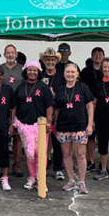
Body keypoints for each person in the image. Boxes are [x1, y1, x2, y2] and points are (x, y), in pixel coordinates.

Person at [11, 61, 54, 189]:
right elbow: (14, 106)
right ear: (25, 71)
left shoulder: (44, 87)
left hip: (40, 126)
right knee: (29, 154)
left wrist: (49, 122)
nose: (32, 72)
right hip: (24, 125)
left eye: (35, 70)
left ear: (39, 72)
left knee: (40, 153)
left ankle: (41, 179)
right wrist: (13, 122)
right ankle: (32, 177)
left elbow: (49, 105)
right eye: (30, 70)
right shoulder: (20, 87)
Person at [53, 63, 95, 193]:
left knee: (81, 155)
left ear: (77, 74)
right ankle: (71, 180)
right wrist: (55, 126)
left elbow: (90, 106)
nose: (70, 74)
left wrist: (90, 124)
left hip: (80, 126)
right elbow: (56, 110)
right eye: (68, 72)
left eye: (73, 72)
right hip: (64, 127)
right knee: (66, 155)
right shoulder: (60, 89)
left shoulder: (83, 87)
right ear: (64, 74)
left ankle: (82, 182)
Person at [40, 47, 66, 180]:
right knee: (42, 142)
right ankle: (42, 168)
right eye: (47, 59)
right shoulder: (40, 75)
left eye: (52, 59)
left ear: (56, 61)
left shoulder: (62, 76)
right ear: (44, 61)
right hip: (42, 114)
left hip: (58, 114)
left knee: (57, 141)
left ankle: (58, 169)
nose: (50, 61)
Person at [0, 45, 25, 177]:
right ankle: (3, 165)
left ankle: (17, 164)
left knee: (17, 136)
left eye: (12, 53)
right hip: (2, 106)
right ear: (4, 54)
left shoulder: (22, 69)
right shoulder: (0, 69)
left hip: (19, 106)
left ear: (16, 55)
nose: (10, 55)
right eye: (8, 53)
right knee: (2, 136)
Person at [79, 47, 104, 173]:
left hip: (104, 108)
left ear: (103, 56)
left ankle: (103, 164)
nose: (97, 57)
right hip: (88, 106)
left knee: (103, 136)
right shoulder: (85, 71)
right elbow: (82, 88)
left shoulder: (107, 70)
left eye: (100, 54)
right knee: (90, 136)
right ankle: (91, 161)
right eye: (95, 54)